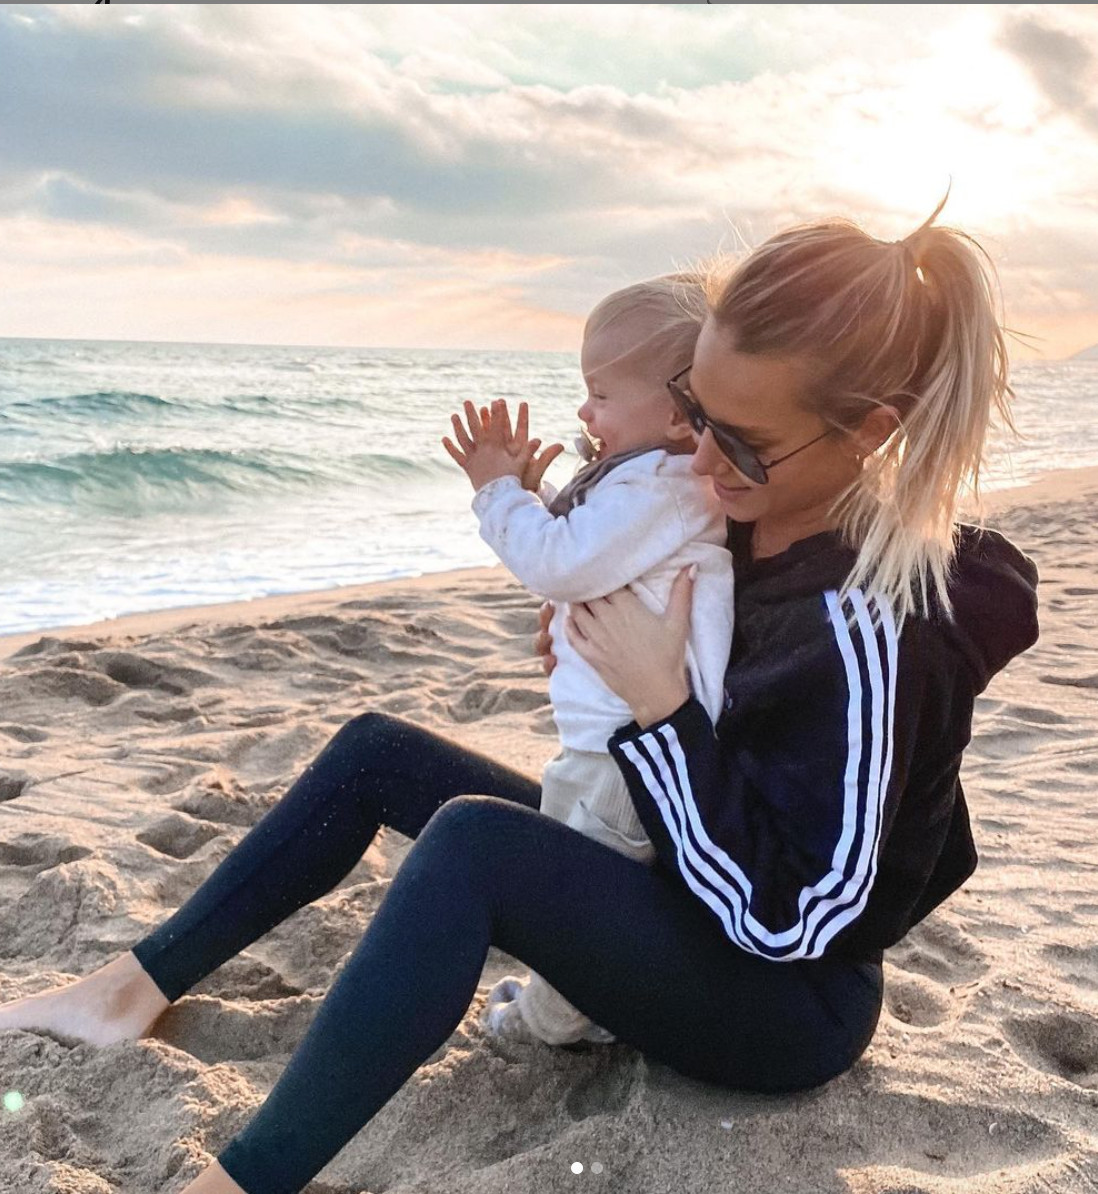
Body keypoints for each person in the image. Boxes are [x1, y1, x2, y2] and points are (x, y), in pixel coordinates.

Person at [0, 197, 1039, 1194]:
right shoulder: (728, 504)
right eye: (693, 414)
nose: (697, 456)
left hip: (782, 1001)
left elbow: (798, 917)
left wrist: (661, 710)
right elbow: (632, 549)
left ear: (870, 430)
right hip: (673, 876)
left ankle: (237, 1182)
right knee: (376, 752)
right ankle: (126, 991)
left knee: (472, 846)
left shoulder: (880, 626)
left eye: (745, 441)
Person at [441, 275, 735, 1047]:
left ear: (675, 413)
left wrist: (498, 495)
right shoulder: (654, 482)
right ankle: (594, 1001)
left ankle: (548, 1024)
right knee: (578, 890)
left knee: (573, 901)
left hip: (623, 753)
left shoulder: (671, 489)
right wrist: (540, 491)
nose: (583, 411)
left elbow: (561, 564)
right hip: (607, 746)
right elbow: (595, 541)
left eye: (600, 394)